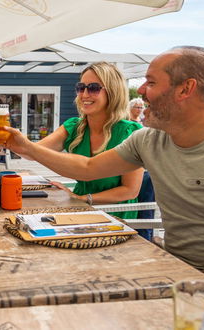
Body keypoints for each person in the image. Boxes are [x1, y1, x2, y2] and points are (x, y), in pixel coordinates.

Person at [4, 46, 204, 274]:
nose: (141, 91)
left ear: (186, 88)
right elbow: (88, 167)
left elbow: (128, 190)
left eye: (151, 83)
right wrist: (25, 147)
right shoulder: (147, 139)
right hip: (174, 267)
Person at [28, 62, 144, 220]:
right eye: (81, 88)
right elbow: (32, 152)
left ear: (113, 92)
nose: (84, 94)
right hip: (77, 209)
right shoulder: (74, 126)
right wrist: (6, 138)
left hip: (115, 215)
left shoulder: (129, 132)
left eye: (94, 88)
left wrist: (83, 198)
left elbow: (130, 190)